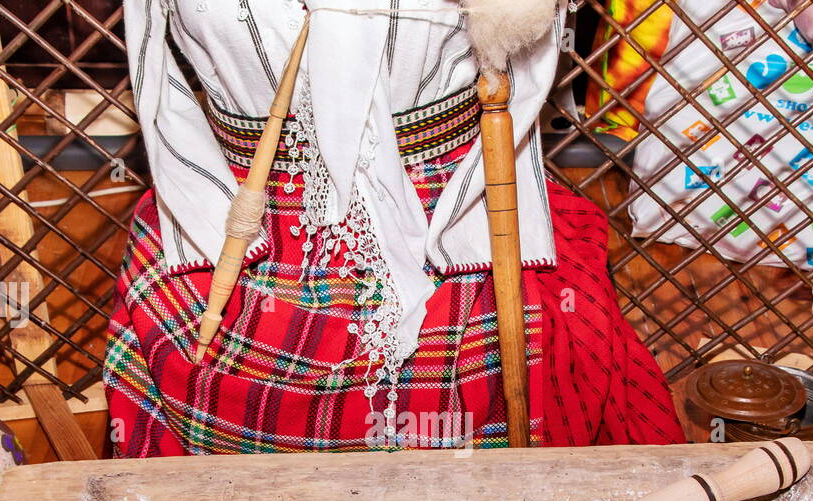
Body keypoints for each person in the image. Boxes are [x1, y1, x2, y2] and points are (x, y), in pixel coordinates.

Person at [106, 0, 683, 455]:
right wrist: (200, 206)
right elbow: (156, 71)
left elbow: (519, 71)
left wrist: (474, 201)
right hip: (251, 205)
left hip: (453, 196)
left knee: (508, 381)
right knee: (215, 366)